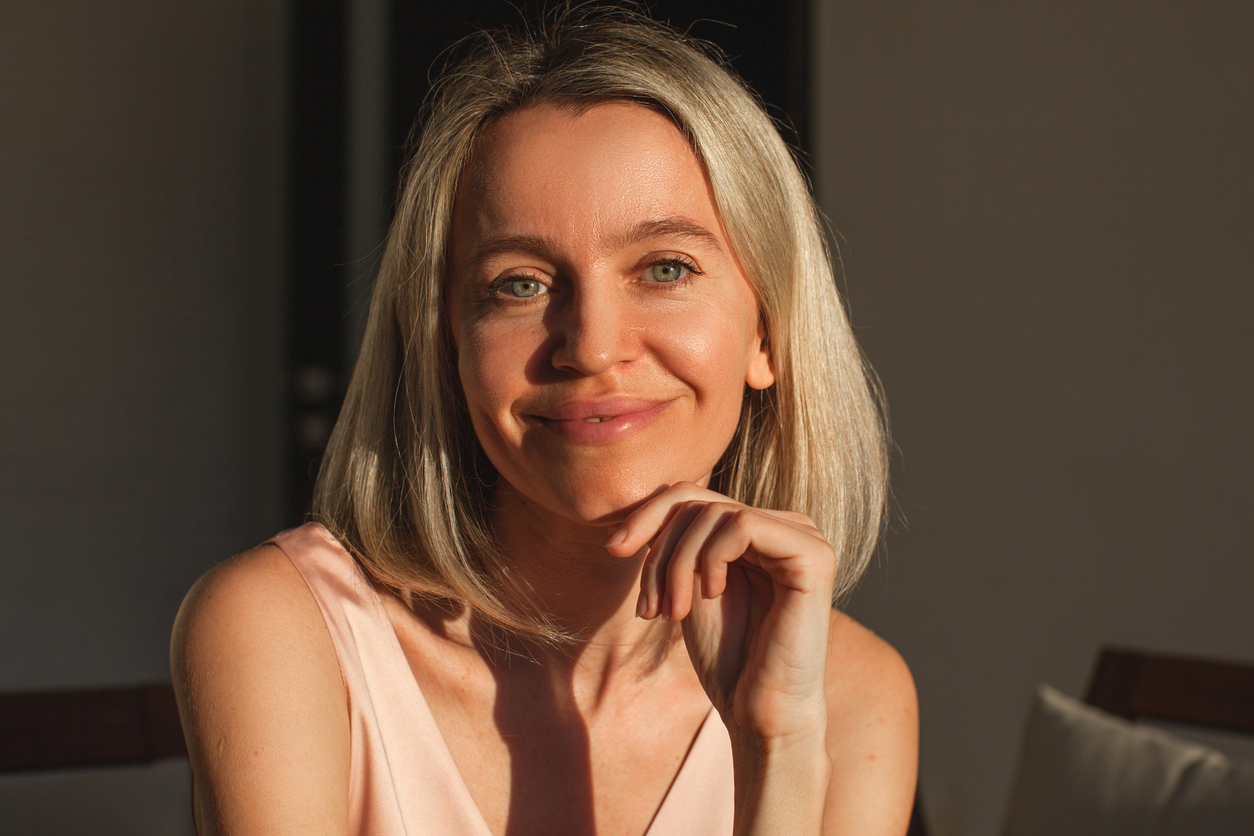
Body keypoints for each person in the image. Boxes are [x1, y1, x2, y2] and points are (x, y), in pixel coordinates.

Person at [171, 9, 917, 835]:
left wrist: (774, 743)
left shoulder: (852, 694)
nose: (592, 347)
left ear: (766, 332)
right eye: (520, 284)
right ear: (448, 343)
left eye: (665, 269)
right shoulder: (281, 629)